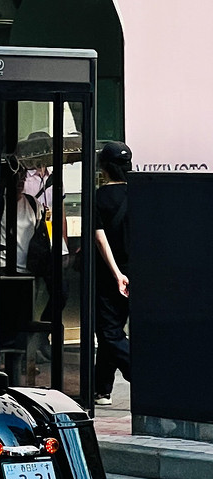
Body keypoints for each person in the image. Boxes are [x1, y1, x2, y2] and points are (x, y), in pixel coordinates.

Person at [94, 140, 132, 405]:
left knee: (108, 332)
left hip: (110, 276)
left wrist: (117, 273)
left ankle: (140, 369)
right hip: (136, 271)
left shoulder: (98, 197)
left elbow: (100, 239)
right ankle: (102, 388)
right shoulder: (139, 194)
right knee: (113, 329)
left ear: (103, 168)